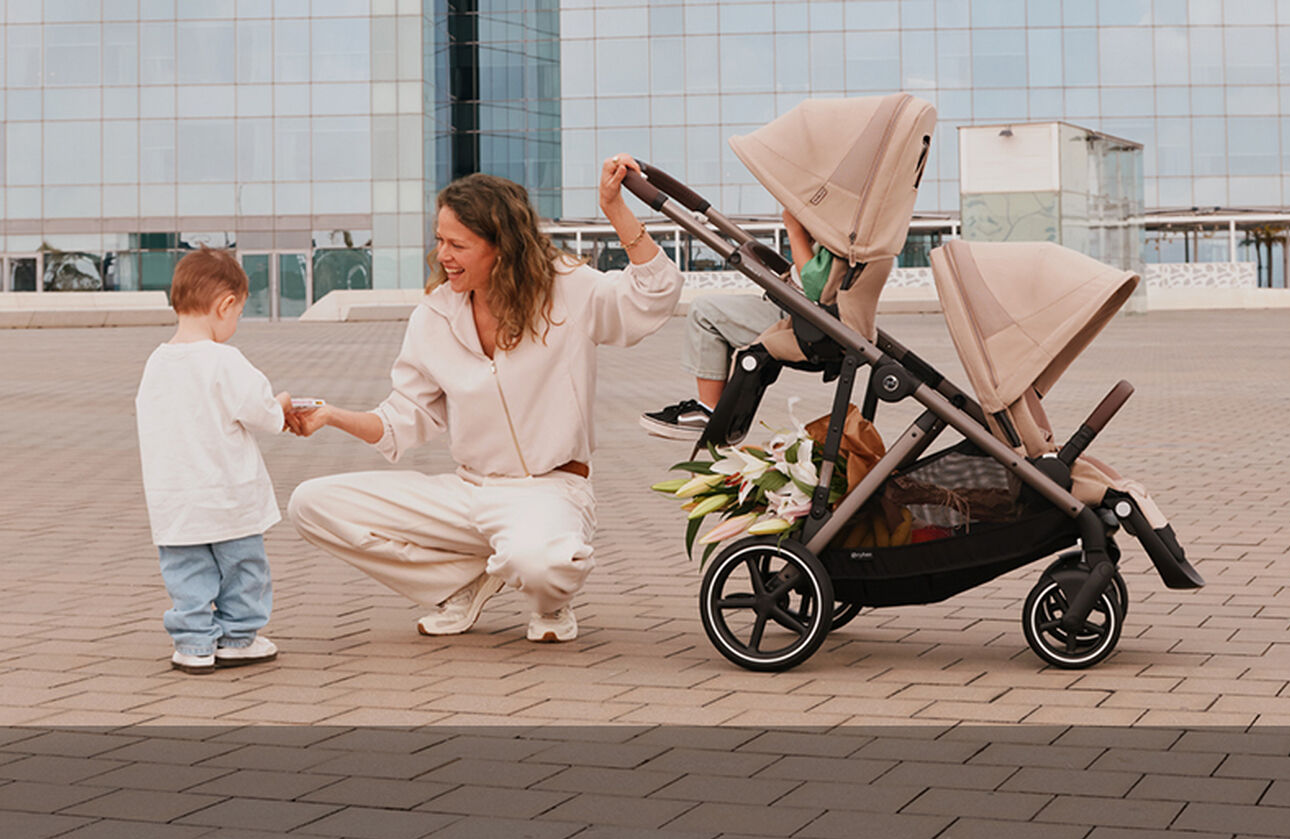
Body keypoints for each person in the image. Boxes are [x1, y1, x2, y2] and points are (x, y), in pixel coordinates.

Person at [285, 158, 683, 643]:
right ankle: (462, 583)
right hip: (470, 492)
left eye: (458, 245)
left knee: (538, 564)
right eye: (440, 240)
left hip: (550, 489)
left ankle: (550, 603)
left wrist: (613, 207)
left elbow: (654, 295)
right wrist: (330, 416)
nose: (443, 256)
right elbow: (401, 419)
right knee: (312, 504)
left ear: (502, 247)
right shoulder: (435, 316)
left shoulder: (567, 288)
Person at [135, 248, 291, 675]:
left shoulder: (157, 362)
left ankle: (193, 644)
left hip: (175, 500)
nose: (235, 322)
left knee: (186, 573)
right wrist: (280, 404)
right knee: (243, 569)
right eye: (238, 313)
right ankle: (238, 637)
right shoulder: (225, 360)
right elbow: (262, 414)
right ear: (226, 304)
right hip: (228, 497)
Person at [638, 208, 818, 440]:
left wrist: (794, 230)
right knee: (719, 310)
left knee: (704, 312)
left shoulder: (836, 234)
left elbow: (815, 285)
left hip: (802, 319)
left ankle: (708, 409)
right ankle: (713, 407)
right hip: (795, 307)